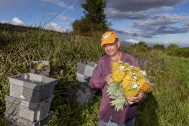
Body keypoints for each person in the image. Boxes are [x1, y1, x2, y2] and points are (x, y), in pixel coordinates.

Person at [89, 31, 146, 126]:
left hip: (125, 117)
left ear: (118, 44)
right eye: (105, 46)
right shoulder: (102, 61)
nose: (108, 48)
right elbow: (92, 82)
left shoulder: (131, 61)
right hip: (106, 115)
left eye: (110, 44)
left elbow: (142, 84)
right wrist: (105, 78)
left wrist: (141, 96)